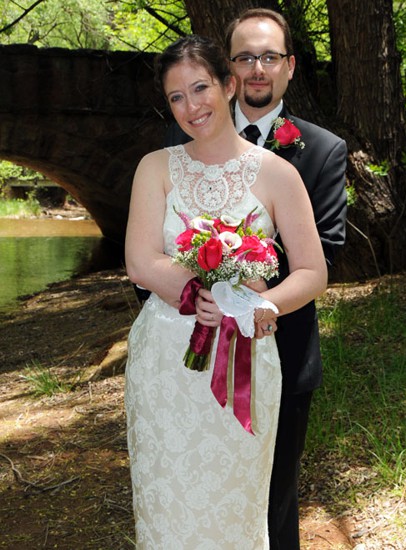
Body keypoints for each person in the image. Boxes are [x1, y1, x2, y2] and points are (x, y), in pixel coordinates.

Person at [124, 34, 327, 549]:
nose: (191, 106)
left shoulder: (279, 175)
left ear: (228, 84)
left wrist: (262, 302)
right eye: (176, 97)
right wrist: (199, 294)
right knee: (169, 499)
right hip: (165, 360)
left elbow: (312, 271)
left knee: (235, 503)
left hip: (247, 360)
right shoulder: (156, 167)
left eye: (200, 88)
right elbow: (141, 261)